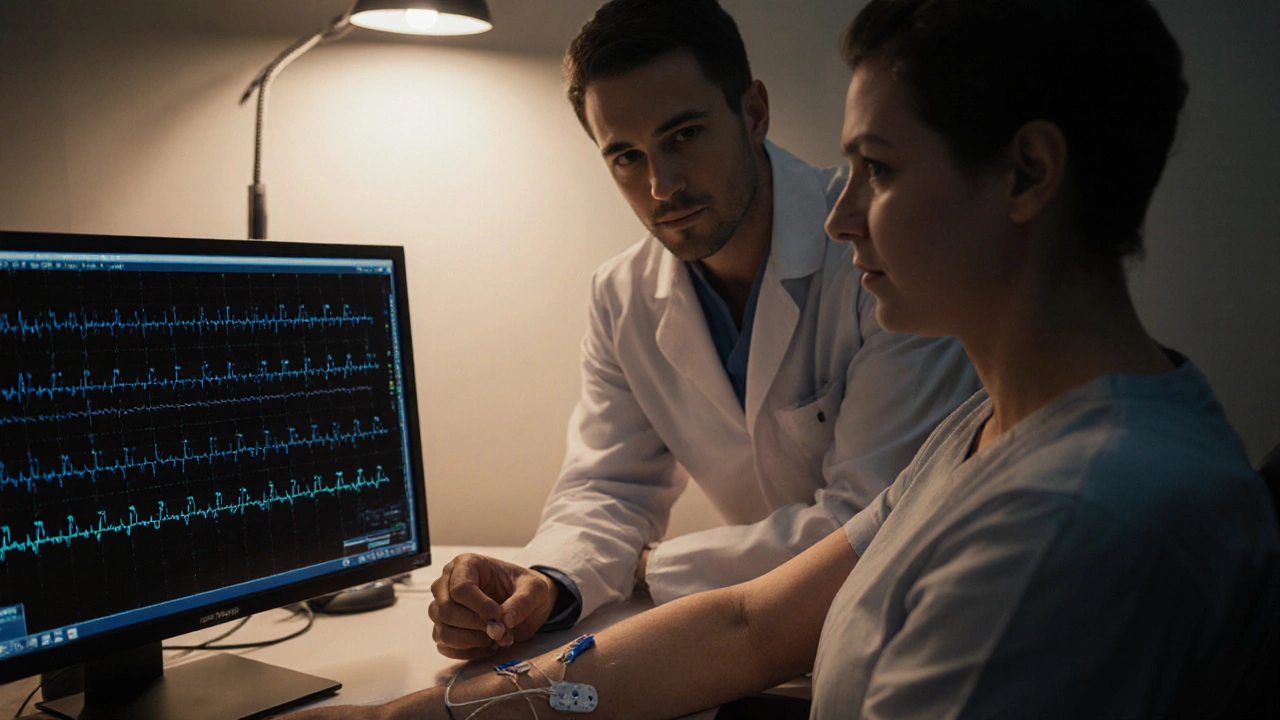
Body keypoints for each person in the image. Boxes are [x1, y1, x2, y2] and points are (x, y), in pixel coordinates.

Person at [285, 0, 1280, 717]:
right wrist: (445, 712)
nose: (841, 217)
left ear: (1024, 173)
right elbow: (741, 627)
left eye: (877, 172)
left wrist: (634, 567)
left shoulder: (1064, 529)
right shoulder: (982, 440)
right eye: (624, 156)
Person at [427, 0, 978, 660]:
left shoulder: (881, 255)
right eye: (627, 156)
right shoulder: (621, 295)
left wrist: (646, 567)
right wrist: (545, 581)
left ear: (753, 114)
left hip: (900, 632)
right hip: (758, 638)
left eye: (684, 135)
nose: (663, 185)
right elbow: (609, 486)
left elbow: (870, 522)